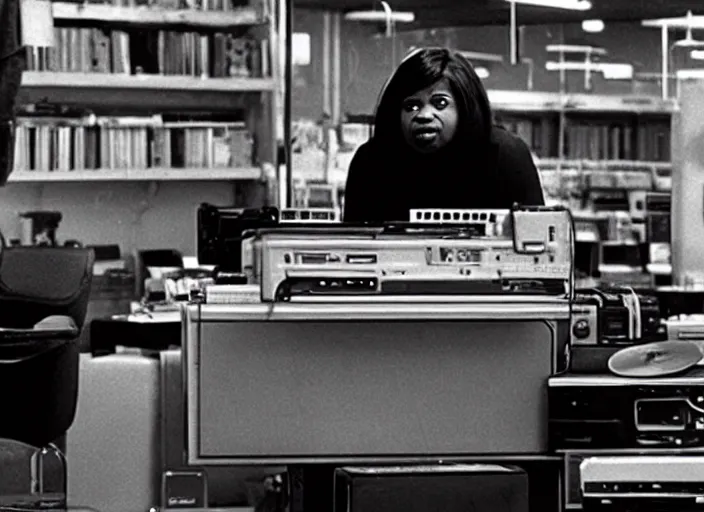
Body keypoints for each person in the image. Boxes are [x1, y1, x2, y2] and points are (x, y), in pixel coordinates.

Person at [343, 47, 544, 222]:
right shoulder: (372, 161)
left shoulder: (505, 156)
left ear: (465, 108)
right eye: (411, 106)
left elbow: (539, 245)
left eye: (440, 103)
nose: (423, 115)